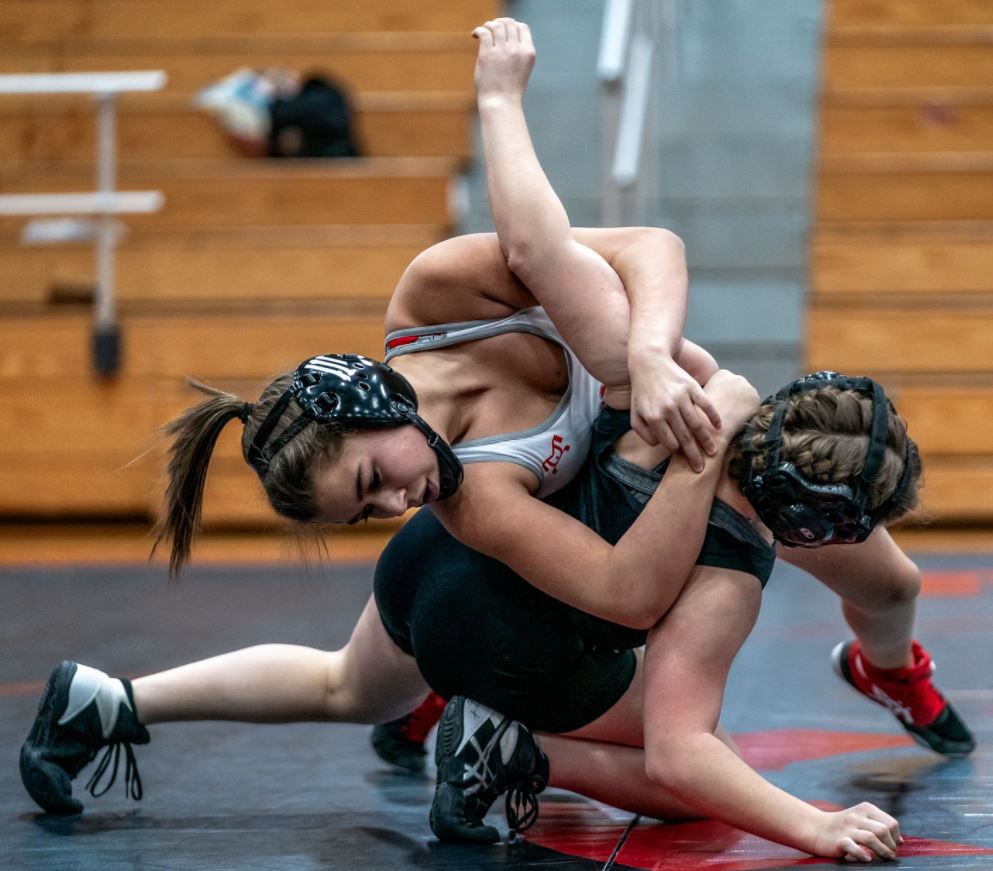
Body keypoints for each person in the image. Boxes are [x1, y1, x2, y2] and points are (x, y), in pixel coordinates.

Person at [19, 17, 971, 866]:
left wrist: (647, 350)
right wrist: (707, 419)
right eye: (367, 511)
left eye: (370, 482)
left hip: (551, 538)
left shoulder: (434, 303)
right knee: (678, 737)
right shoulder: (467, 498)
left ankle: (110, 700)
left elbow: (637, 248)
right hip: (539, 587)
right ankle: (504, 739)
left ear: (367, 406)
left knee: (351, 684)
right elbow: (626, 591)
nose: (393, 507)